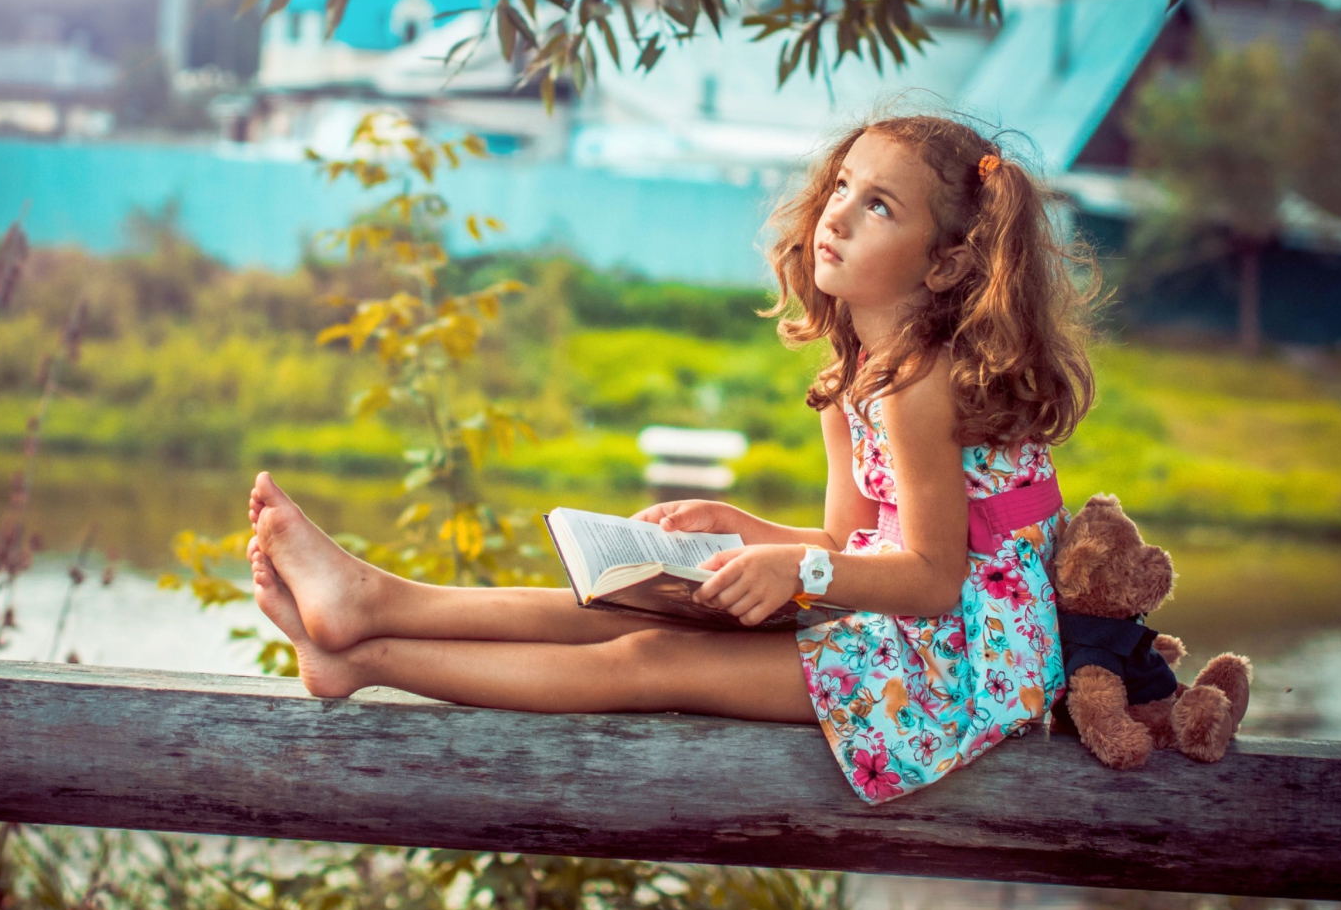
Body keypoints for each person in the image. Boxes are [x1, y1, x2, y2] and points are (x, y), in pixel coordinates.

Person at [245, 114, 1097, 804]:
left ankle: (363, 659)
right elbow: (851, 540)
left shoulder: (920, 389)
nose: (835, 214)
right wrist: (743, 530)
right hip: (908, 623)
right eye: (841, 186)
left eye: (879, 207)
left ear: (946, 262)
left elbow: (932, 577)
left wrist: (791, 567)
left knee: (655, 660)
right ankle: (373, 602)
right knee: (626, 609)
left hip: (964, 665)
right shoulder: (850, 382)